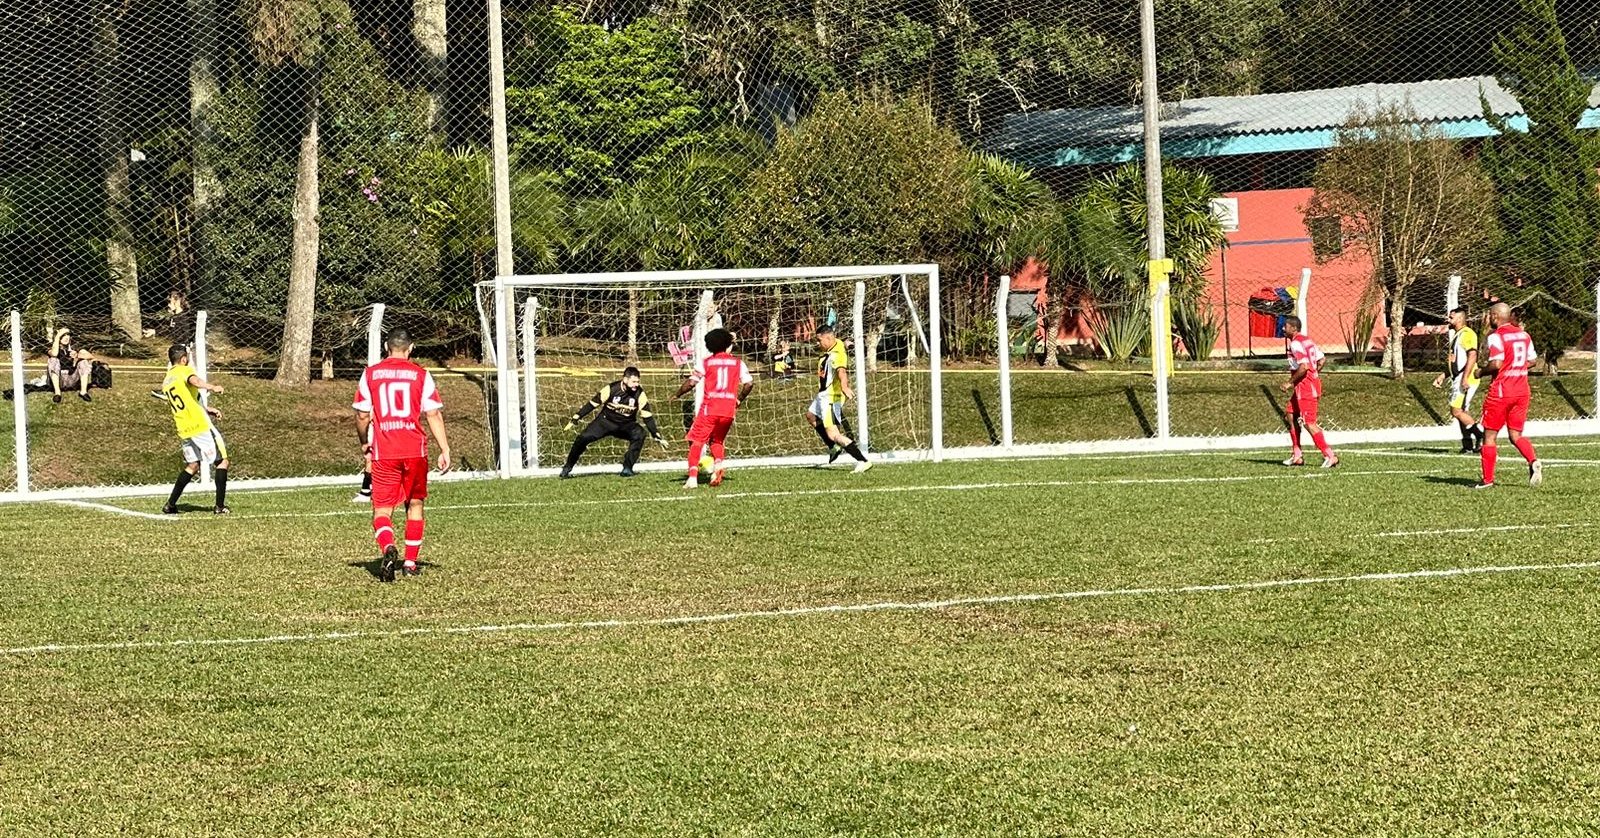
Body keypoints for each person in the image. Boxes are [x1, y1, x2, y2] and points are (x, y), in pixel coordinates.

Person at [353, 329, 452, 582]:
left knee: (382, 510)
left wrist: (365, 441)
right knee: (415, 504)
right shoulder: (421, 374)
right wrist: (444, 448)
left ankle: (388, 548)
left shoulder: (370, 374)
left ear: (387, 347)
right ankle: (409, 562)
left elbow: (363, 415)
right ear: (411, 348)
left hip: (385, 450)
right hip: (414, 450)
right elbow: (433, 414)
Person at [1475, 302, 1542, 490]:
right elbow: (1532, 361)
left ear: (1495, 317)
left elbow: (1496, 364)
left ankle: (1487, 480)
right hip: (1522, 390)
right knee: (1515, 434)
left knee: (1489, 436)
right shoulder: (1523, 334)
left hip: (1502, 391)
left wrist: (1480, 372)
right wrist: (1515, 366)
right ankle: (1533, 460)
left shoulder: (1496, 337)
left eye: (1489, 315)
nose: (1488, 319)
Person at [674, 328, 751, 488]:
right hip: (728, 410)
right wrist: (739, 399)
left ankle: (692, 479)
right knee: (717, 441)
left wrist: (677, 394)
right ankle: (717, 468)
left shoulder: (707, 362)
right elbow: (749, 384)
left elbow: (691, 382)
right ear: (727, 345)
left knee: (697, 441)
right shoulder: (738, 363)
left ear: (709, 346)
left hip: (710, 408)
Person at [160, 344, 231, 515]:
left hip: (184, 428)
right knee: (222, 462)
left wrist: (207, 409)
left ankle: (170, 504)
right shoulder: (184, 371)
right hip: (200, 426)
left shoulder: (167, 380)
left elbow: (187, 401)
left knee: (192, 465)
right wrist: (212, 387)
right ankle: (220, 507)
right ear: (184, 359)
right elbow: (195, 381)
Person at [560, 367, 669, 478]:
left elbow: (647, 416)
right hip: (605, 422)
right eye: (633, 382)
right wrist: (577, 417)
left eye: (638, 382)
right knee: (582, 438)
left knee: (640, 434)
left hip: (626, 425)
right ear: (625, 380)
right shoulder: (611, 388)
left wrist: (656, 434)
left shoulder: (640, 394)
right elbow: (593, 403)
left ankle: (627, 468)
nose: (636, 384)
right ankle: (567, 467)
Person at [805, 325, 870, 473]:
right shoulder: (836, 344)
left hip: (830, 397)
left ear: (828, 338)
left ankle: (862, 460)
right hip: (823, 394)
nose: (818, 343)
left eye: (819, 340)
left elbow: (841, 371)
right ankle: (833, 446)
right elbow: (841, 342)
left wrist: (845, 387)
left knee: (833, 434)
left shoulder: (836, 355)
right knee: (810, 416)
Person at [1280, 316, 1338, 468]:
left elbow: (1304, 366)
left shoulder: (1295, 343)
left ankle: (1330, 456)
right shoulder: (1307, 340)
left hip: (1306, 388)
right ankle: (1297, 455)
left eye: (1285, 326)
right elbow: (1322, 360)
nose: (1283, 329)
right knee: (1290, 414)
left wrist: (1289, 383)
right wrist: (1315, 374)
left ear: (1293, 328)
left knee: (1309, 423)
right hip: (1308, 385)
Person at [1432, 307, 1485, 454]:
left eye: (1451, 317)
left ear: (1460, 319)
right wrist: (1443, 375)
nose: (1448, 320)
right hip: (1459, 377)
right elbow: (1456, 362)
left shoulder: (1467, 334)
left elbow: (1472, 356)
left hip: (1466, 378)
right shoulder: (1458, 335)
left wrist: (1465, 377)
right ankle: (1467, 445)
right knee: (1462, 412)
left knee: (1456, 410)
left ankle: (1481, 436)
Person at [48, 328, 94, 403]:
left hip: (72, 379)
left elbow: (91, 356)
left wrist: (78, 355)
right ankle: (57, 393)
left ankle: (83, 392)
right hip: (59, 379)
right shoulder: (51, 346)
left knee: (83, 361)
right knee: (53, 360)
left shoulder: (73, 347)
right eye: (63, 335)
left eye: (68, 335)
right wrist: (58, 337)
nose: (67, 337)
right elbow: (54, 354)